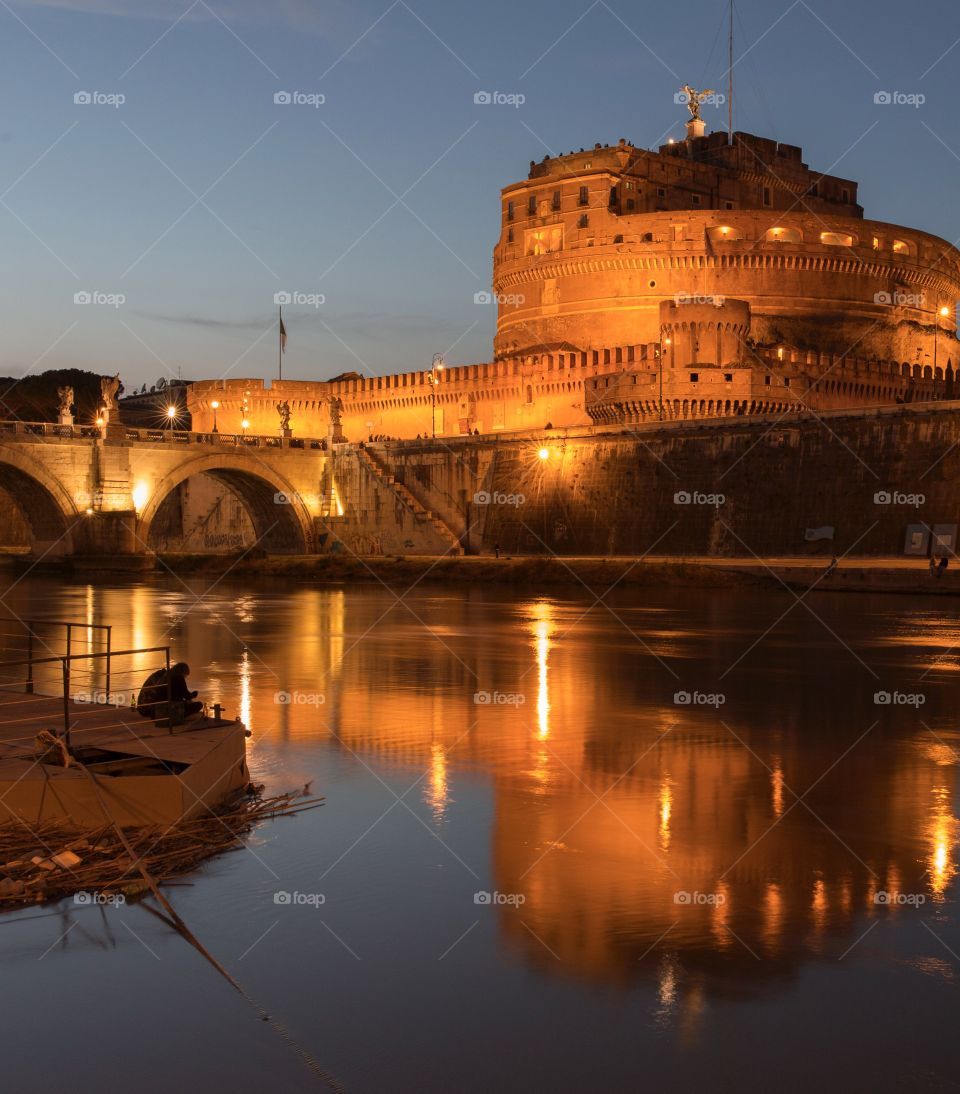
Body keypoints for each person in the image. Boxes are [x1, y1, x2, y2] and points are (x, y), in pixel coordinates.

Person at [136, 662, 202, 721]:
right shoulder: (179, 678)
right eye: (185, 675)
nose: (185, 678)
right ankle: (179, 716)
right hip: (162, 709)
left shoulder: (165, 677)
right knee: (199, 705)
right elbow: (187, 696)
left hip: (152, 710)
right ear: (182, 672)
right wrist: (194, 694)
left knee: (183, 703)